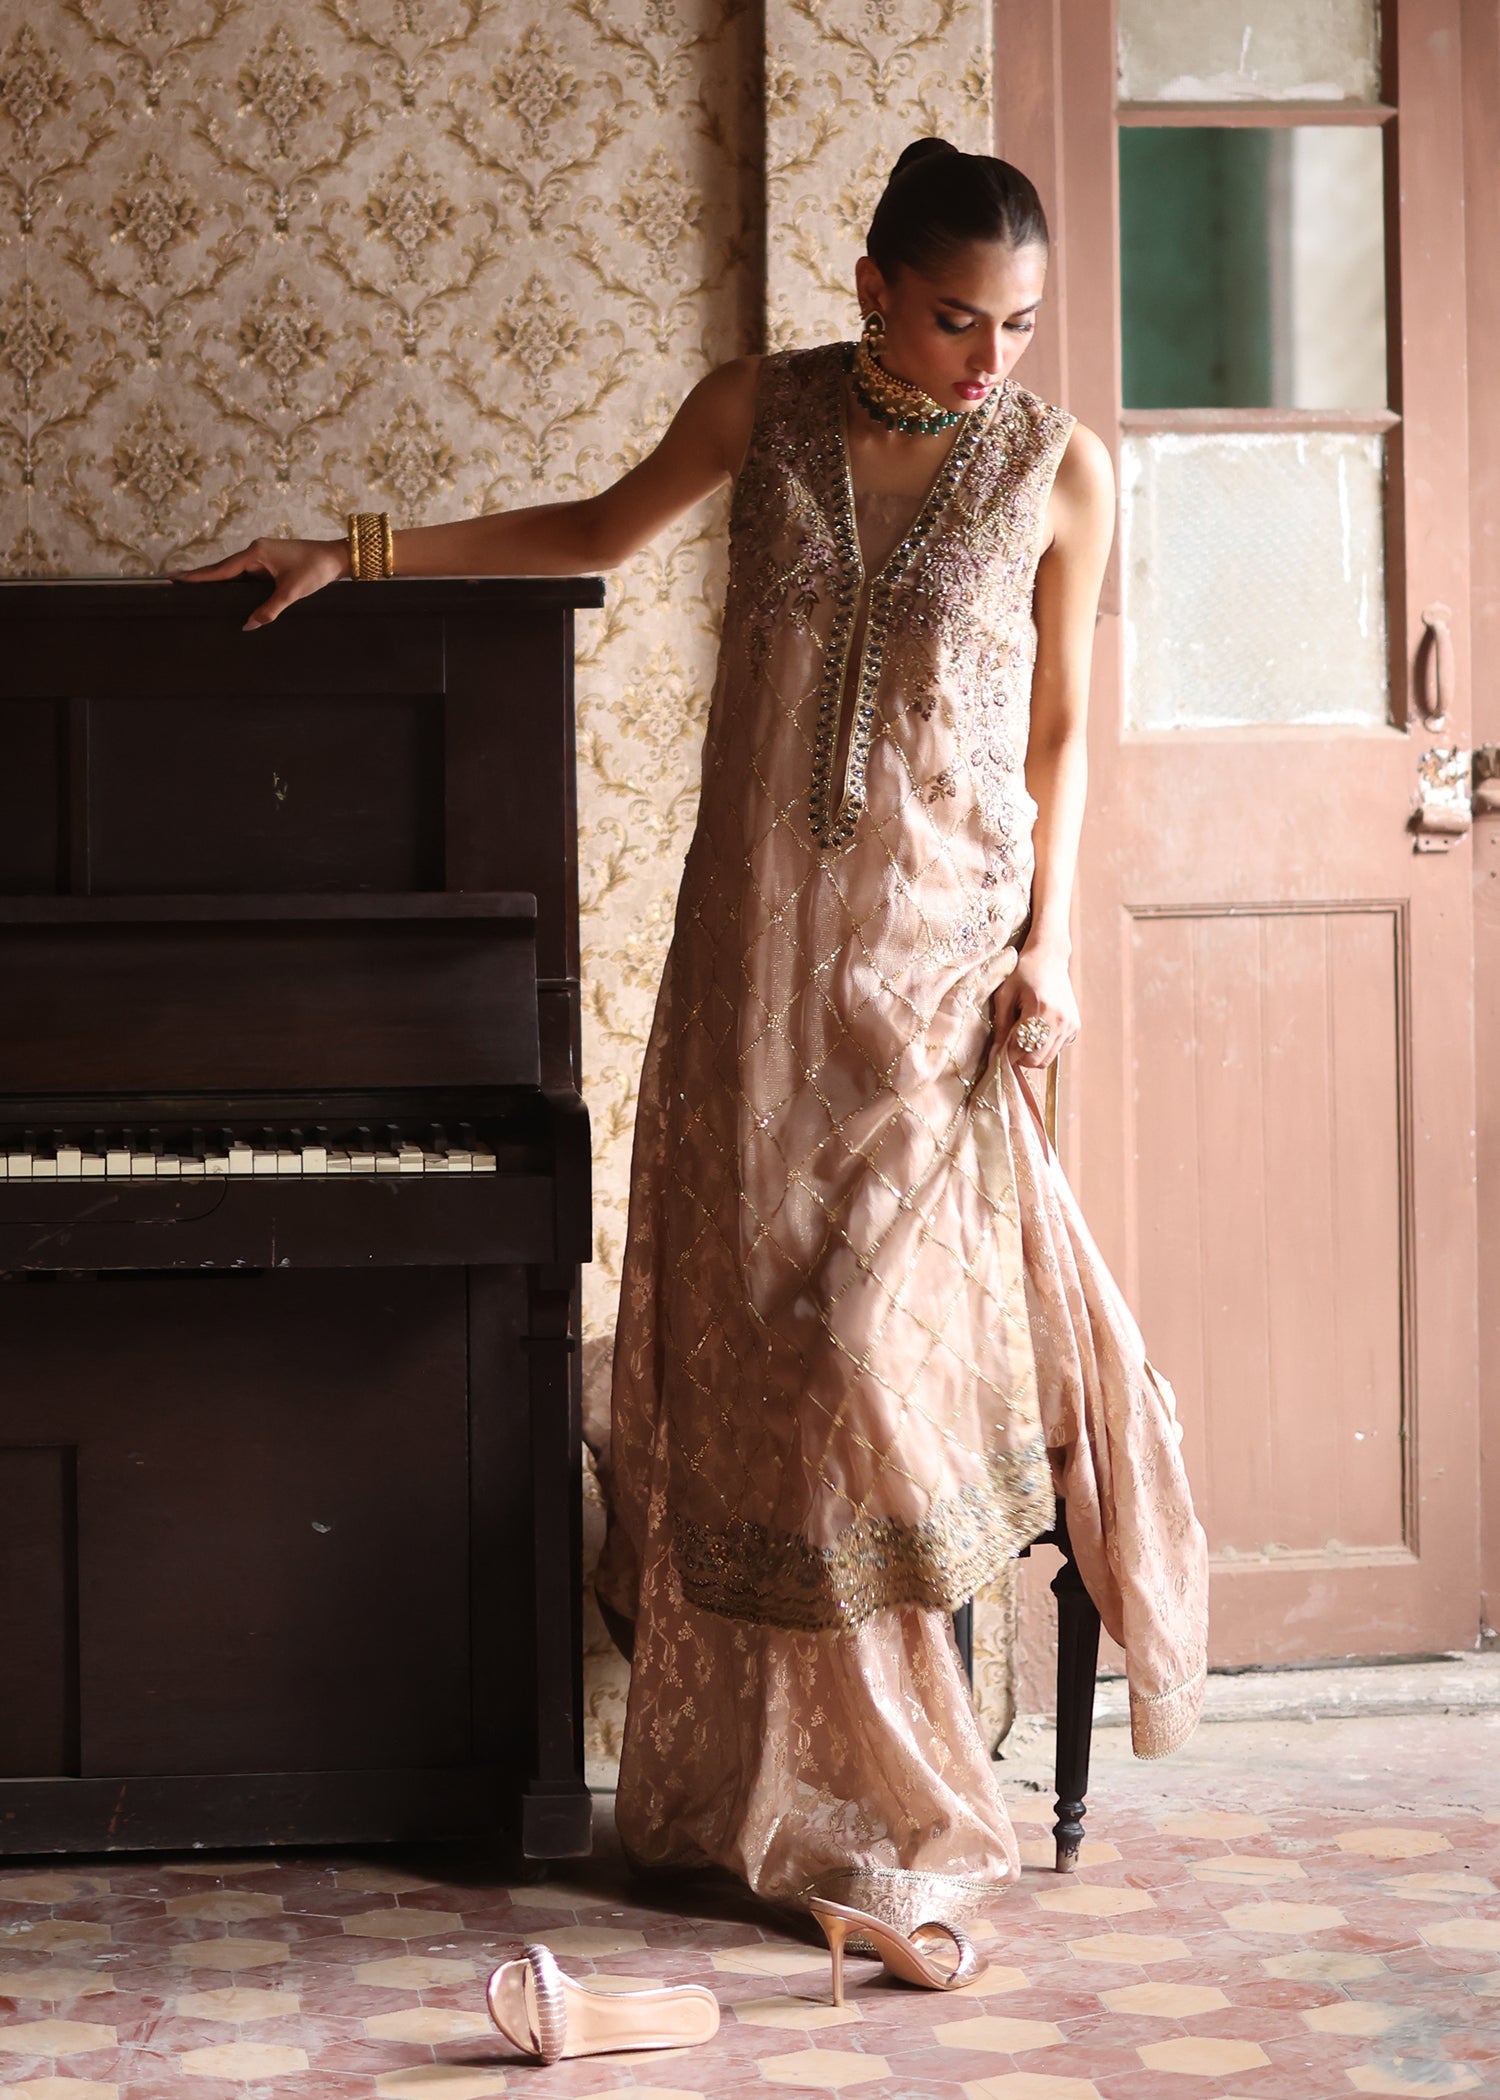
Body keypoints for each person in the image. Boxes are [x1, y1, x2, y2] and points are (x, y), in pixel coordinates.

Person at [182, 137, 1208, 1981]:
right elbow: (591, 532)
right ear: (873, 284)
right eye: (957, 318)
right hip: (754, 975)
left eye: (1020, 325)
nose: (992, 361)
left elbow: (1061, 727)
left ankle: (894, 1826)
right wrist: (357, 550)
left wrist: (1050, 943)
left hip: (937, 978)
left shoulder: (1060, 469)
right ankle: (757, 1802)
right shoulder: (761, 410)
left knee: (860, 1369)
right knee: (759, 1377)